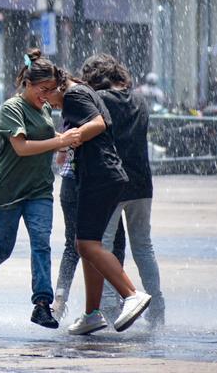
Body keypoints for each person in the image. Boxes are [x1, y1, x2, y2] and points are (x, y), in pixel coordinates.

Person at [0, 49, 81, 329]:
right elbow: (21, 147)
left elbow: (46, 137)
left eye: (51, 91)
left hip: (40, 189)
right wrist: (60, 142)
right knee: (1, 249)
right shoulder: (12, 108)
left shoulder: (44, 108)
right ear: (28, 84)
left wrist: (65, 140)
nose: (46, 96)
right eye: (42, 90)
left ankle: (42, 305)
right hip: (9, 191)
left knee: (41, 244)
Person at [50, 62, 153, 335]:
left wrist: (69, 138)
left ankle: (131, 294)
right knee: (88, 245)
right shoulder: (82, 92)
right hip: (107, 175)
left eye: (42, 93)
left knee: (86, 245)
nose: (43, 101)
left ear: (51, 85)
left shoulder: (74, 95)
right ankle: (93, 313)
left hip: (100, 175)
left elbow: (99, 123)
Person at [81, 54, 165, 328]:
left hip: (112, 182)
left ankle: (107, 309)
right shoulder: (140, 100)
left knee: (100, 246)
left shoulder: (99, 100)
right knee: (144, 246)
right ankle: (157, 311)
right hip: (142, 182)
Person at [52, 139, 128, 321]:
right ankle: (112, 301)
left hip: (70, 183)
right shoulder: (102, 120)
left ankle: (59, 302)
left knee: (72, 245)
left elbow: (60, 159)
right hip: (97, 185)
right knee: (114, 242)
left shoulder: (71, 118)